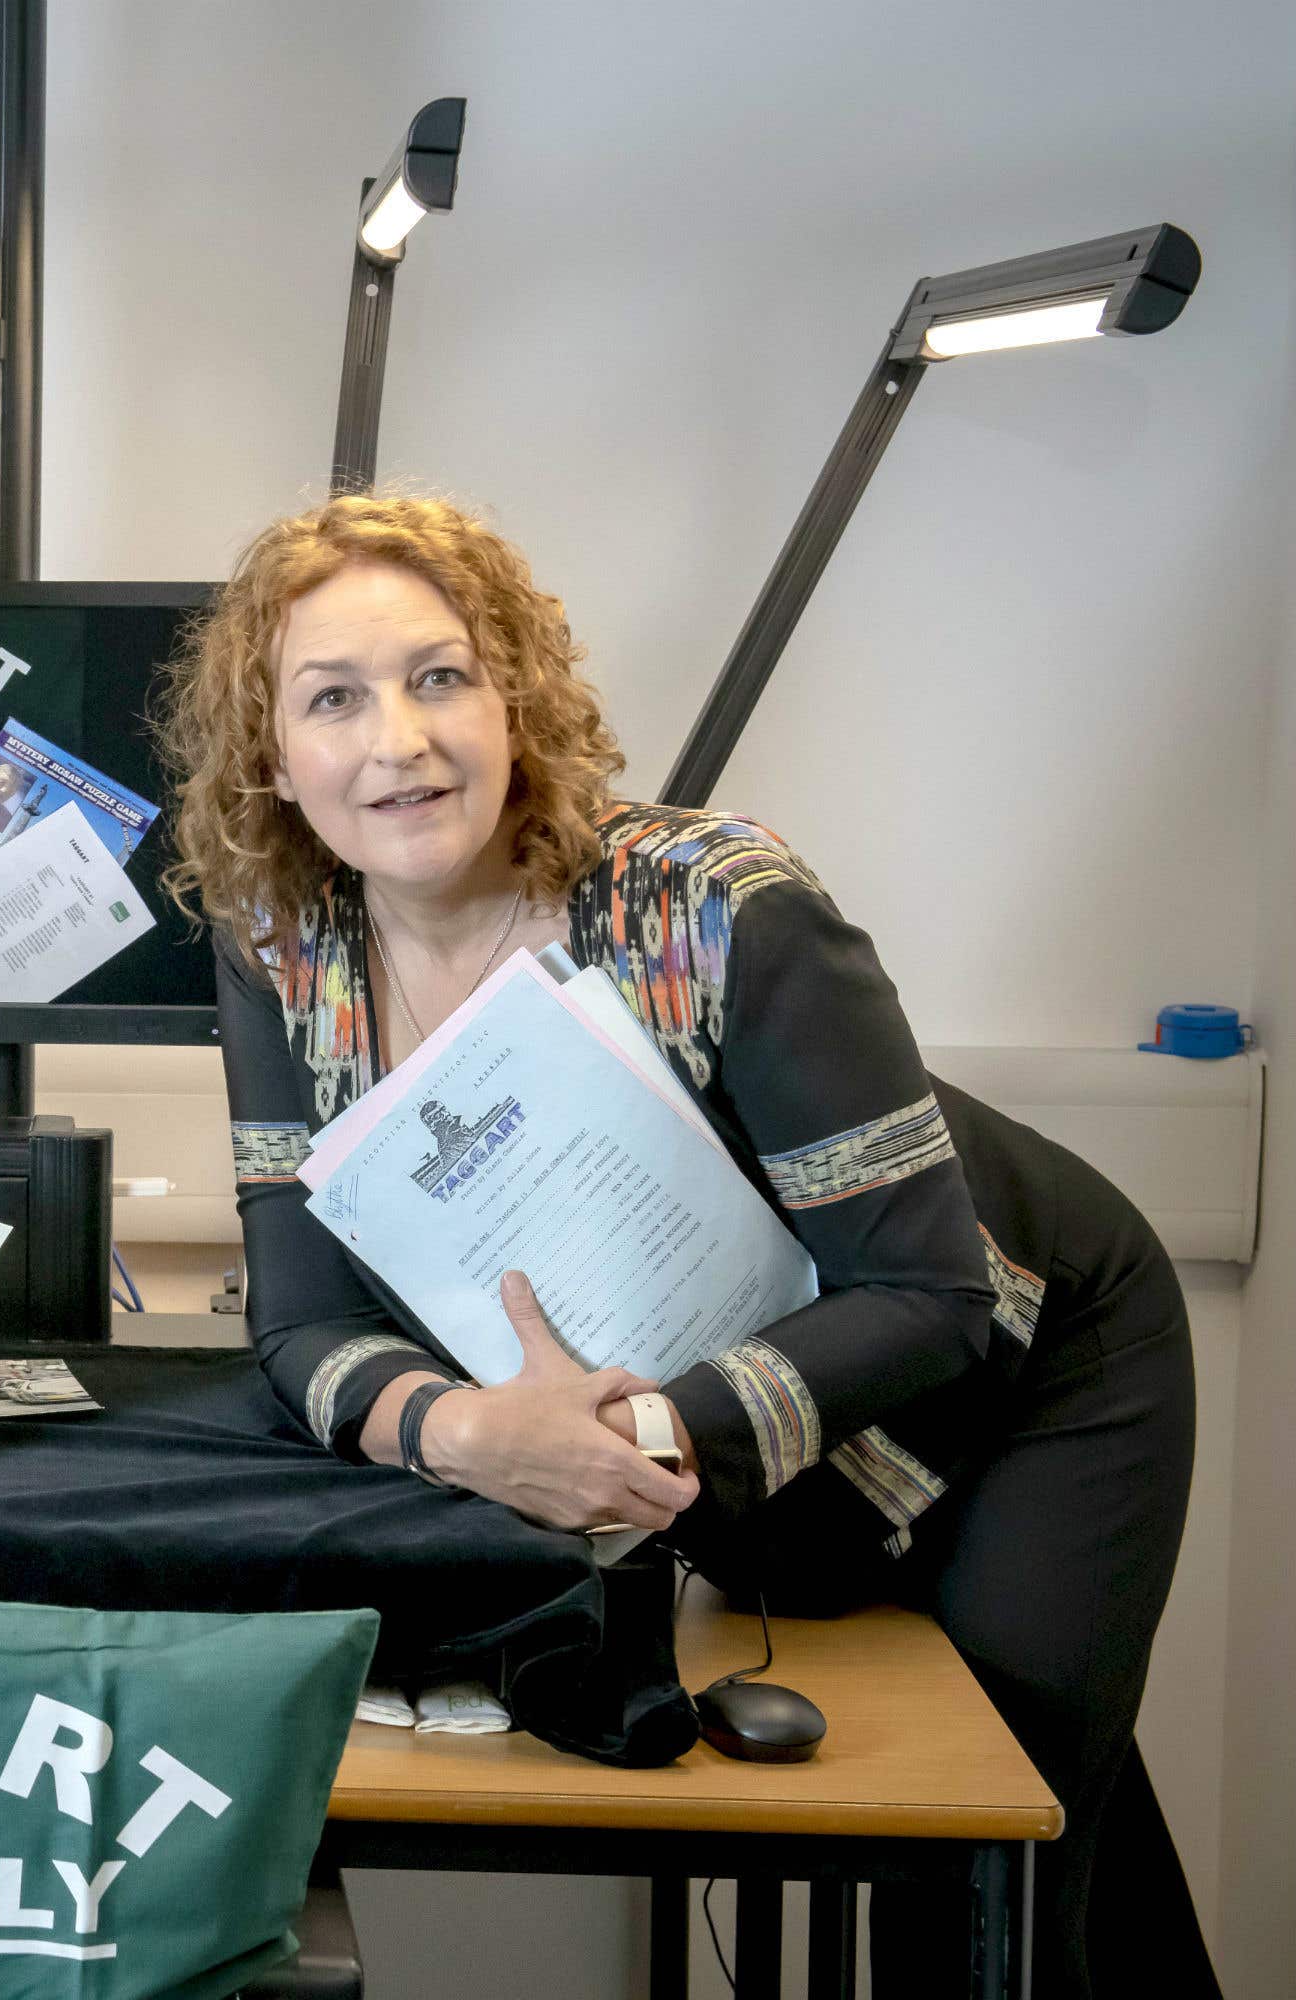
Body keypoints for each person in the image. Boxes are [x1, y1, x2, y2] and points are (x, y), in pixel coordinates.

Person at [158, 494, 1211, 1997]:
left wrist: (630, 1431)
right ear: (272, 753)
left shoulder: (717, 903)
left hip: (1038, 1367)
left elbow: (927, 1291)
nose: (399, 740)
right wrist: (463, 1430)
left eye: (441, 675)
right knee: (1041, 1840)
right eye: (334, 697)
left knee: (982, 1864)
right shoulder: (276, 938)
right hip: (744, 1416)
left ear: (512, 690)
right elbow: (301, 1315)